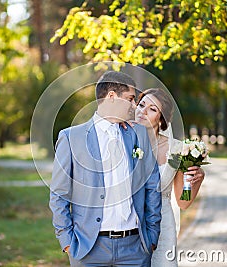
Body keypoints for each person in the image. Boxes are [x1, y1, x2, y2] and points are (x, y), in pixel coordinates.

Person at [49, 71, 162, 266]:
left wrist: (151, 236)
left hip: (135, 248)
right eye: (130, 99)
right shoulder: (71, 138)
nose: (135, 106)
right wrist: (67, 242)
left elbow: (152, 186)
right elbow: (59, 194)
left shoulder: (139, 134)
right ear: (111, 96)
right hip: (87, 249)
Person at [134, 88, 205, 267]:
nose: (142, 111)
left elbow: (183, 202)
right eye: (141, 105)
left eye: (152, 109)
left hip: (163, 225)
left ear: (162, 119)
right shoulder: (122, 140)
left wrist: (195, 181)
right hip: (130, 225)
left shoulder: (176, 150)